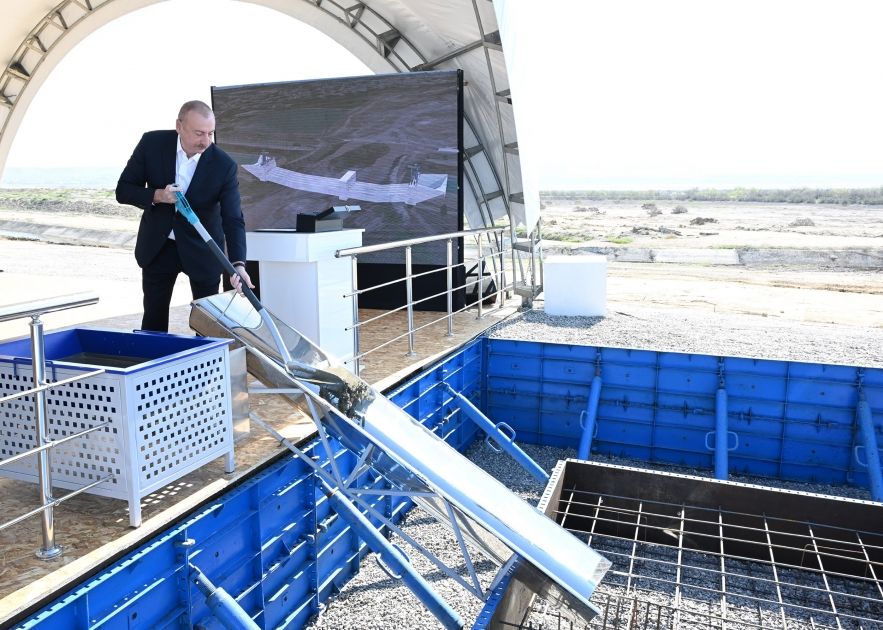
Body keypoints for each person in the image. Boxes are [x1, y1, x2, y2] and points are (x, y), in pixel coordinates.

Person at [116, 100, 253, 332]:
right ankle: (153, 365)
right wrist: (159, 195)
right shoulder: (151, 143)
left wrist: (238, 264)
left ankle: (205, 366)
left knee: (208, 324)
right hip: (159, 246)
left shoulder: (224, 165)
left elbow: (233, 218)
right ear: (179, 126)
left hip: (204, 249)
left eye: (210, 133)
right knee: (153, 320)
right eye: (199, 133)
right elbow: (124, 190)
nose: (206, 141)